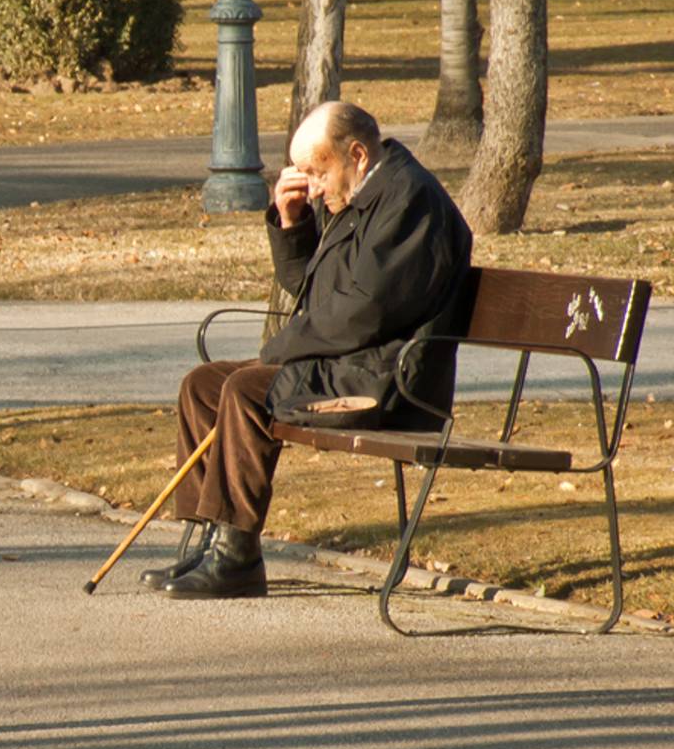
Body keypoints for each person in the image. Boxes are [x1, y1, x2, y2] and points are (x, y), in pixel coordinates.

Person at [143, 101, 473, 600]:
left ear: (357, 154)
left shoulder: (410, 203)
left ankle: (237, 557)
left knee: (247, 390)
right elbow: (313, 293)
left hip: (386, 381)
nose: (314, 186)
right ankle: (210, 538)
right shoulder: (356, 195)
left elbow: (364, 313)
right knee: (203, 386)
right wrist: (292, 221)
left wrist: (279, 351)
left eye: (317, 173)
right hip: (346, 363)